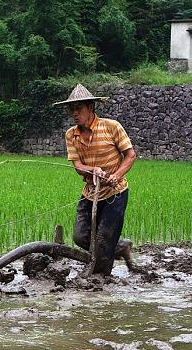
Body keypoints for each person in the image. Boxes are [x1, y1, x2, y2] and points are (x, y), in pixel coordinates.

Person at [54, 84, 137, 275]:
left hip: (114, 194)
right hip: (90, 193)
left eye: (79, 109)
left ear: (91, 107)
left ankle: (100, 280)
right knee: (80, 236)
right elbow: (78, 166)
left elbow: (130, 155)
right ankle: (121, 247)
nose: (75, 113)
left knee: (103, 241)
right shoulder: (71, 134)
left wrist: (115, 176)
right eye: (71, 109)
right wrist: (94, 170)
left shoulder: (111, 127)